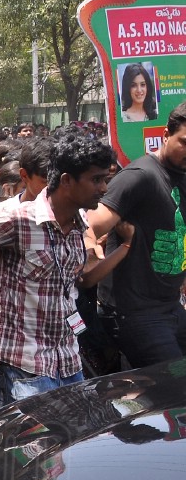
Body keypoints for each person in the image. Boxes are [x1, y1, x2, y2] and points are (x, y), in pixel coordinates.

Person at [0, 136, 128, 405]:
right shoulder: (19, 220)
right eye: (96, 180)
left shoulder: (79, 224)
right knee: (38, 447)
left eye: (105, 180)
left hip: (68, 362)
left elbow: (75, 281)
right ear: (66, 180)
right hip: (25, 365)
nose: (103, 188)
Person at [89, 101, 186, 366]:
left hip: (171, 307)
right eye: (184, 142)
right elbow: (90, 225)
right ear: (165, 135)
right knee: (175, 388)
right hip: (135, 313)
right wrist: (92, 264)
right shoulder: (139, 176)